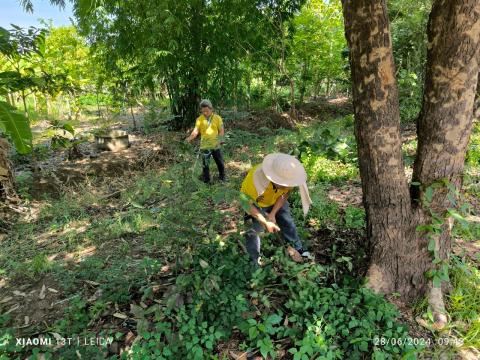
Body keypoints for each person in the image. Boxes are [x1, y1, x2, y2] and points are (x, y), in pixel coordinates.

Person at [240, 153, 313, 265]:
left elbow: (284, 194)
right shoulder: (254, 181)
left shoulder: (289, 175)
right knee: (253, 233)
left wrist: (273, 213)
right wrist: (264, 221)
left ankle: (297, 248)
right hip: (256, 204)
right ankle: (253, 261)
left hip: (275, 201)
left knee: (287, 222)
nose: (287, 187)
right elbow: (247, 204)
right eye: (283, 185)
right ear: (273, 178)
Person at [186, 99, 226, 183]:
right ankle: (206, 181)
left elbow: (221, 131)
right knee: (205, 165)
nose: (205, 113)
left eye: (207, 111)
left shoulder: (217, 118)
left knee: (219, 162)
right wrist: (188, 139)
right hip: (204, 146)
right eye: (203, 111)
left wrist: (220, 140)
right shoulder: (199, 119)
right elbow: (195, 131)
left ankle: (222, 178)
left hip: (215, 145)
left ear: (211, 109)